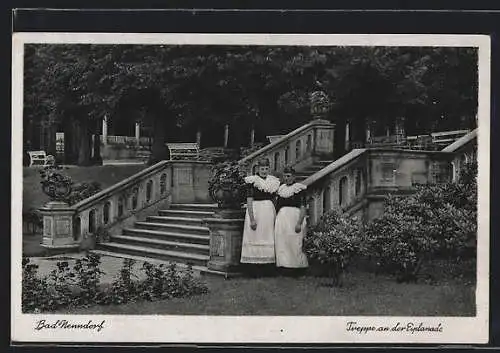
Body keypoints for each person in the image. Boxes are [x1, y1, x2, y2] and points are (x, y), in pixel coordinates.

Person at [240, 158, 281, 277]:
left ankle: (267, 267)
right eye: (262, 169)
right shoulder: (252, 181)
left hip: (268, 212)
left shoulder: (273, 181)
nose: (264, 171)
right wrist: (252, 218)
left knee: (267, 236)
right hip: (256, 211)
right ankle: (253, 269)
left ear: (269, 168)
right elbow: (249, 200)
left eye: (266, 169)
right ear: (257, 169)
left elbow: (275, 199)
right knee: (255, 236)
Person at [274, 166, 309, 277]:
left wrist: (299, 222)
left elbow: (303, 207)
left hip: (294, 218)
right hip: (282, 219)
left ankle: (297, 268)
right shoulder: (281, 189)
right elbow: (277, 206)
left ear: (293, 177)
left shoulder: (299, 189)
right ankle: (284, 267)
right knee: (282, 242)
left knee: (295, 242)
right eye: (284, 176)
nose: (286, 178)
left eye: (288, 176)